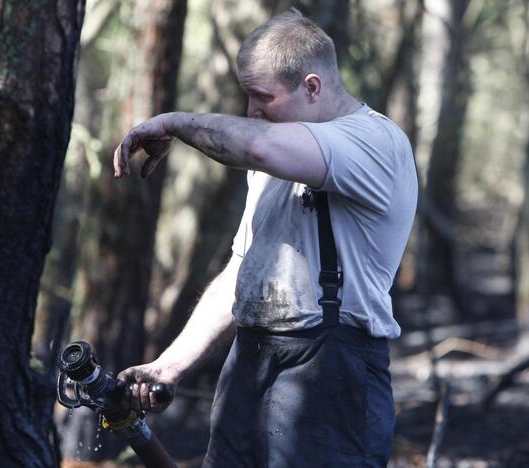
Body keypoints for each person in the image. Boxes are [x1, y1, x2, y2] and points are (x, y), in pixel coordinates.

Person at [113, 8, 417, 467]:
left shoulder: (373, 141)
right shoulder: (274, 164)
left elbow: (255, 145)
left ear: (312, 87)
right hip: (250, 364)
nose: (251, 112)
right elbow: (245, 270)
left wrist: (172, 123)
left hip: (332, 373)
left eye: (262, 97)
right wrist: (170, 366)